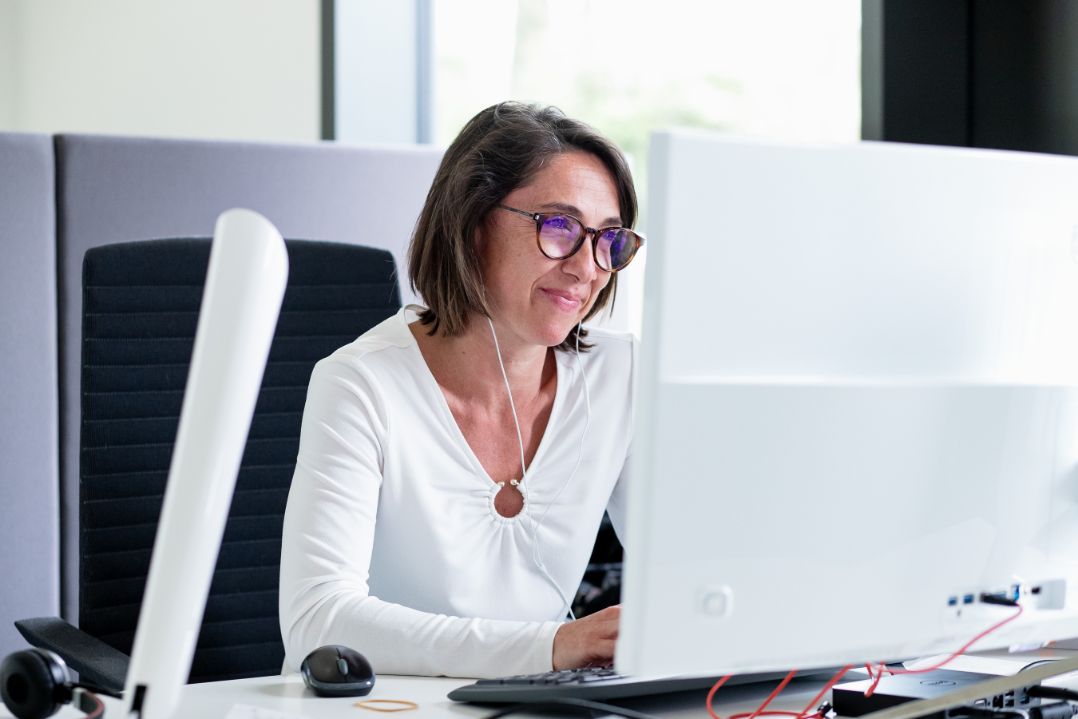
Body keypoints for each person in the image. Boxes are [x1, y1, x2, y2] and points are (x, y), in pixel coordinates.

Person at [278, 101, 645, 679]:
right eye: (560, 227)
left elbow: (693, 568)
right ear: (472, 225)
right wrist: (552, 647)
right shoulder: (361, 384)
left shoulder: (619, 375)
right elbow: (318, 622)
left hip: (542, 706)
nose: (588, 268)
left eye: (609, 240)